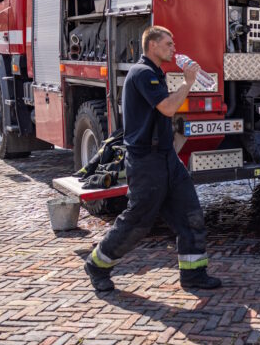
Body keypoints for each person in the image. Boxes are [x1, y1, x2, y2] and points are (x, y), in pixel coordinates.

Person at [84, 26, 221, 292]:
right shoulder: (143, 73)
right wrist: (188, 82)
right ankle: (97, 265)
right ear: (153, 46)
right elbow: (168, 108)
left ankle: (194, 274)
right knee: (138, 221)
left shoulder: (156, 73)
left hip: (167, 158)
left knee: (190, 213)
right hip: (147, 161)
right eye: (168, 44)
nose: (173, 48)